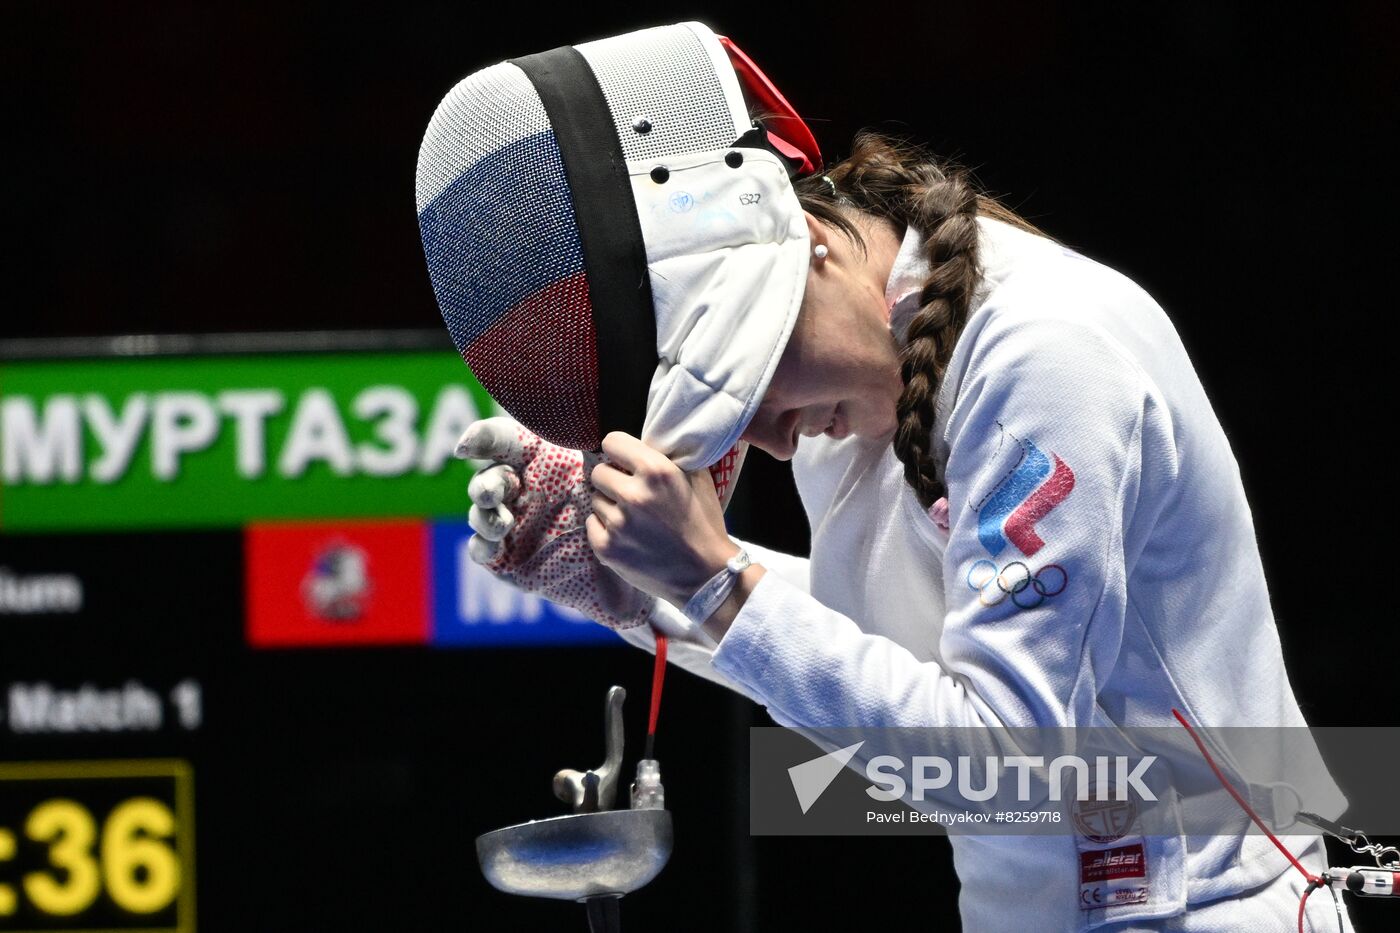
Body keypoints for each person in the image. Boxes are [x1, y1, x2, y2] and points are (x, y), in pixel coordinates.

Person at [418, 22, 1352, 931]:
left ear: (809, 250)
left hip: (1218, 906)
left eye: (757, 388)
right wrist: (647, 587)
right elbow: (881, 664)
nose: (778, 445)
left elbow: (1007, 766)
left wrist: (713, 582)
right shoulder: (859, 382)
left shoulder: (1044, 355)